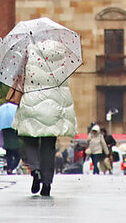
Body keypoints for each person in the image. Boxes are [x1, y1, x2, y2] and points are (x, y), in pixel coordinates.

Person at [13, 39, 77, 197]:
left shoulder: (29, 52)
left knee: (30, 139)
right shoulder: (60, 55)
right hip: (53, 107)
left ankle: (35, 170)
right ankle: (47, 182)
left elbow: (20, 77)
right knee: (49, 144)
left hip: (31, 103)